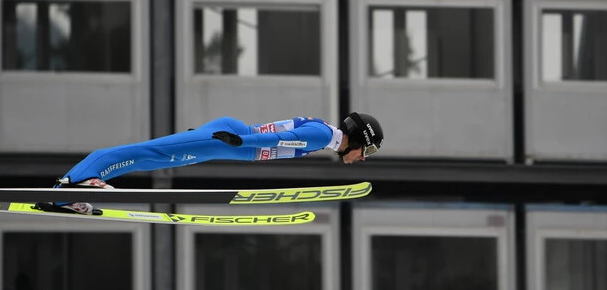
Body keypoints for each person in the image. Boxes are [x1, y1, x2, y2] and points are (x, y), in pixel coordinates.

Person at [40, 112, 384, 214]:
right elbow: (273, 141)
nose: (361, 159)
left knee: (148, 156)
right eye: (366, 152)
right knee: (145, 152)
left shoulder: (324, 133)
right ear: (359, 140)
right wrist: (237, 141)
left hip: (226, 141)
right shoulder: (324, 137)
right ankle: (71, 186)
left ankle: (70, 190)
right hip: (229, 140)